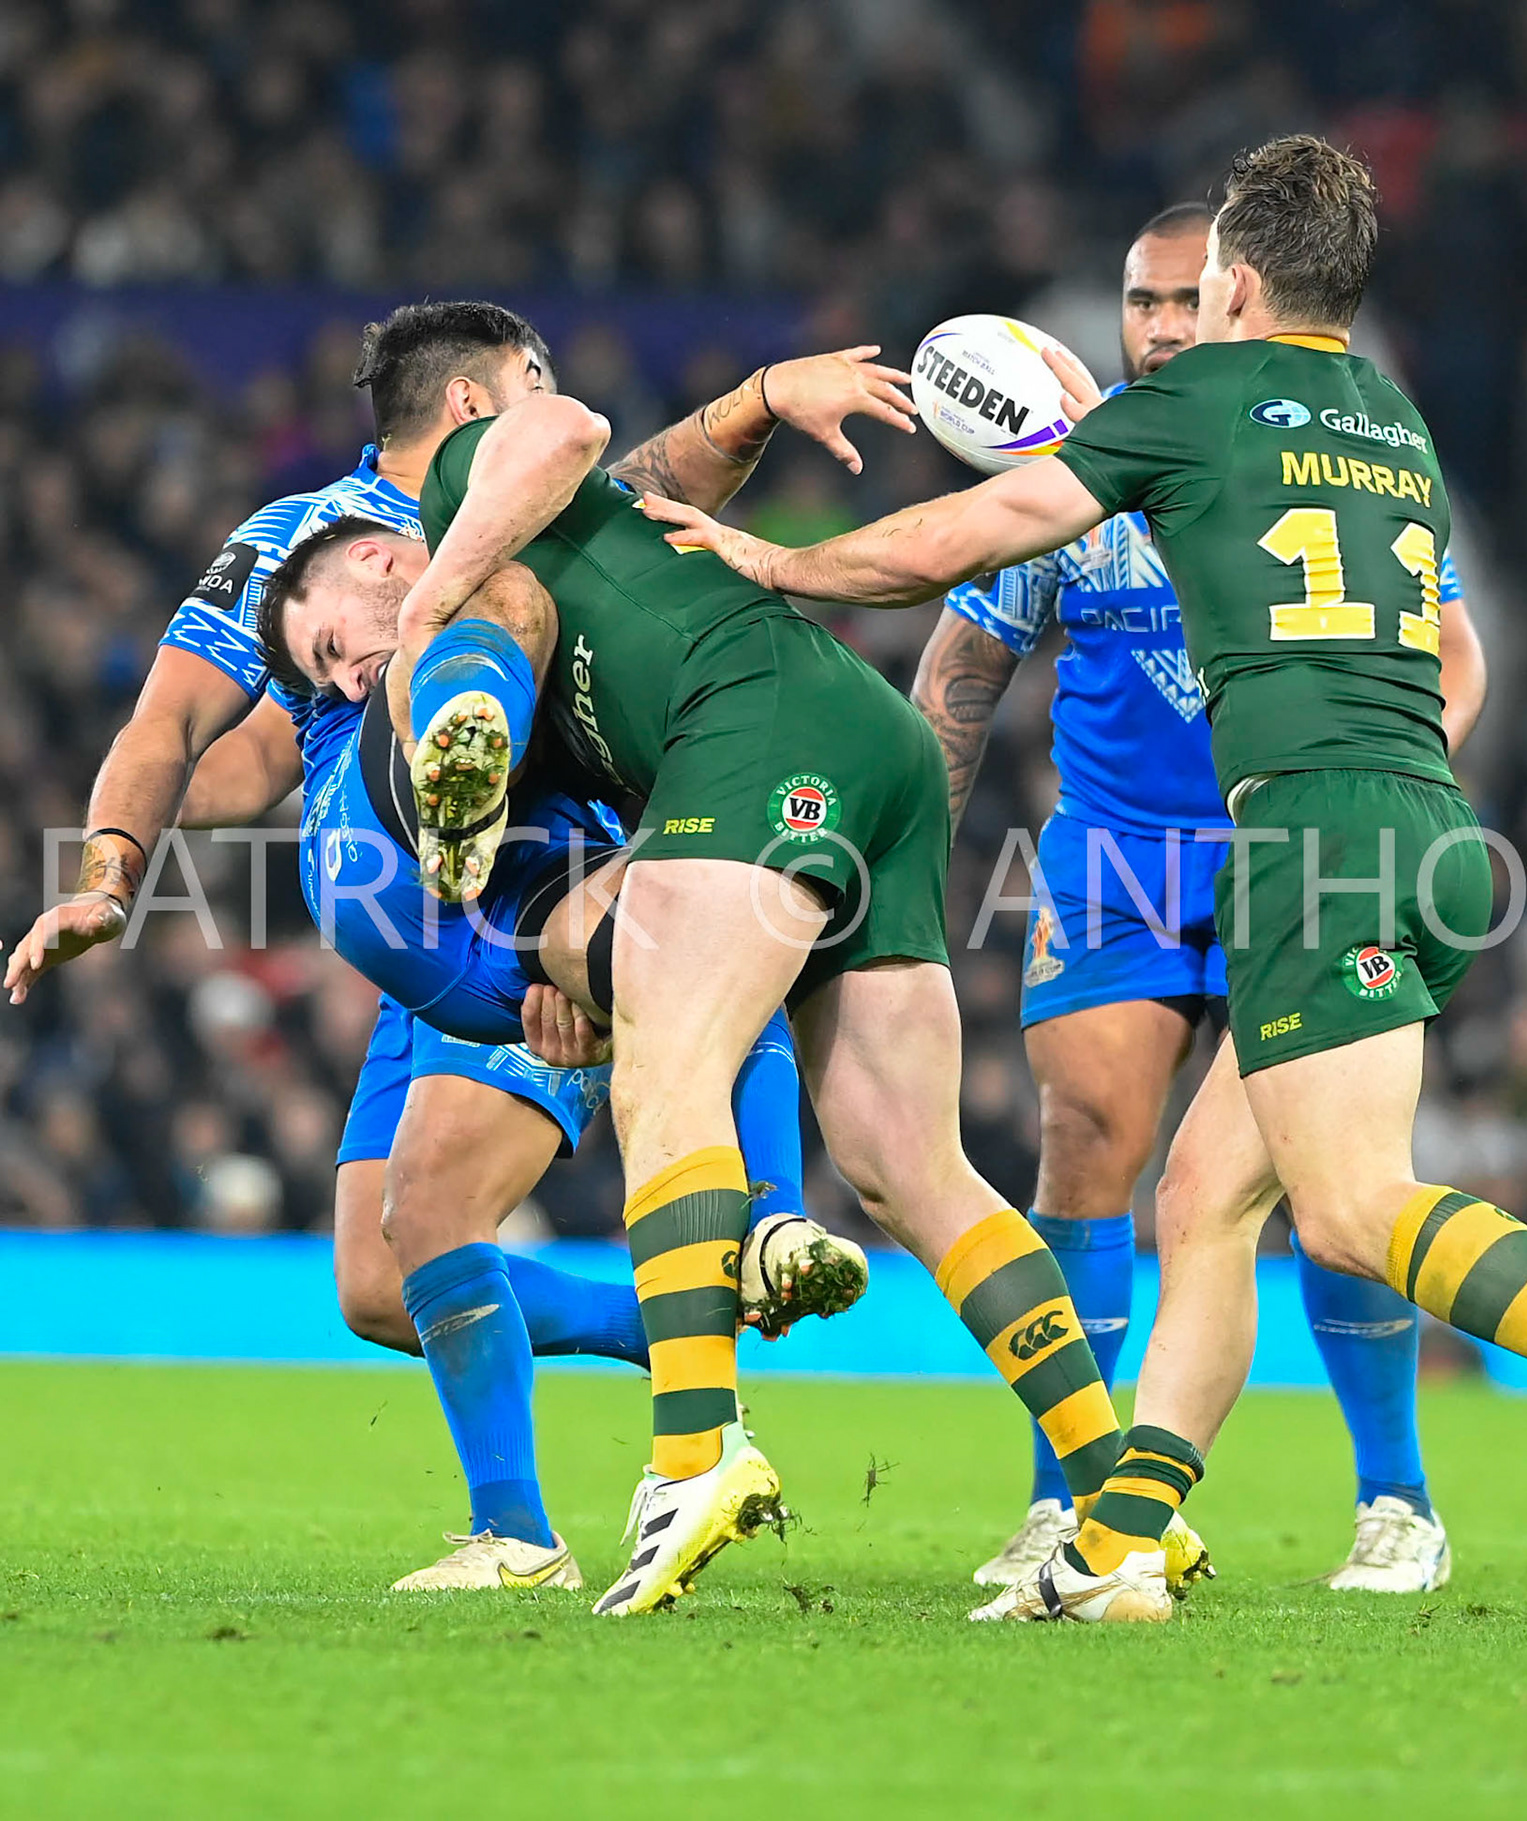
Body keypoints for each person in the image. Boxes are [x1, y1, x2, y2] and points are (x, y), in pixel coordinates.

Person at [642, 135, 1527, 1622]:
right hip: (1421, 818)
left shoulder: (1191, 404)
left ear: (1233, 280)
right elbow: (1444, 649)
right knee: (1206, 1201)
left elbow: (960, 537)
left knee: (1355, 1209)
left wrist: (772, 564)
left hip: (1304, 838)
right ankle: (1118, 1545)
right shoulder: (1396, 428)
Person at [260, 374, 1213, 1621]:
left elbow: (565, 428)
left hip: (761, 725)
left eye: (334, 642)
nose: (342, 682)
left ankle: (695, 1458)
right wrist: (567, 964)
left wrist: (438, 594)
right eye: (323, 678)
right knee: (911, 1169)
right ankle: (1121, 1506)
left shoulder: (466, 514)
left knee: (672, 1066)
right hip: (874, 753)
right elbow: (580, 885)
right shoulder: (509, 700)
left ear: (388, 555)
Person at [4, 302, 903, 1591]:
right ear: (492, 396)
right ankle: (681, 1316)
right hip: (399, 905)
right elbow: (182, 735)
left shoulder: (543, 502)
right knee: (380, 1283)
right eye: (536, 380)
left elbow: (659, 479)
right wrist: (111, 864)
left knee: (434, 1207)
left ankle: (523, 1528)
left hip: (538, 887)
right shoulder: (298, 545)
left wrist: (759, 399)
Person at [914, 200, 1478, 1593]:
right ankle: (1071, 1497)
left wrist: (1371, 775)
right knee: (1087, 1148)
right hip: (1114, 860)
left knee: (1327, 1185)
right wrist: (904, 868)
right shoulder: (1077, 477)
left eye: (1182, 300)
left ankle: (1395, 1501)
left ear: (1234, 300)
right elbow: (956, 682)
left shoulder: (1308, 459)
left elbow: (1454, 656)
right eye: (1137, 302)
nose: (1159, 326)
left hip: (1292, 851)